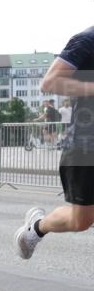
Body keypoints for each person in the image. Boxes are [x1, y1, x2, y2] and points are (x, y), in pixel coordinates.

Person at [16, 25, 94, 259]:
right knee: (82, 221)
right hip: (86, 146)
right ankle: (37, 228)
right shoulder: (86, 40)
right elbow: (50, 82)